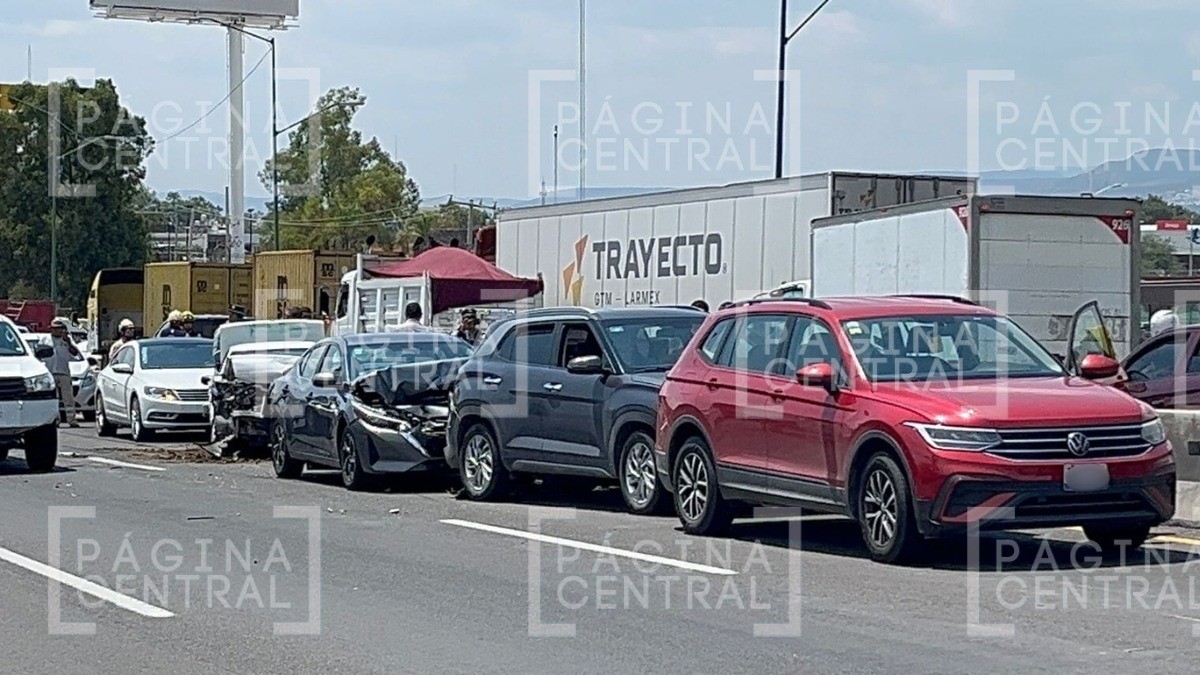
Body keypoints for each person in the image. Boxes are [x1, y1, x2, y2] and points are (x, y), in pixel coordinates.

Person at [46, 318, 80, 427]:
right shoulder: (45, 340)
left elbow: (75, 353)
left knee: (68, 398)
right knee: (53, 398)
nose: (58, 331)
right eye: (55, 328)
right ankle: (55, 419)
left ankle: (71, 419)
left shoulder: (66, 340)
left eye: (60, 328)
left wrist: (68, 342)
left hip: (63, 371)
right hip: (50, 372)